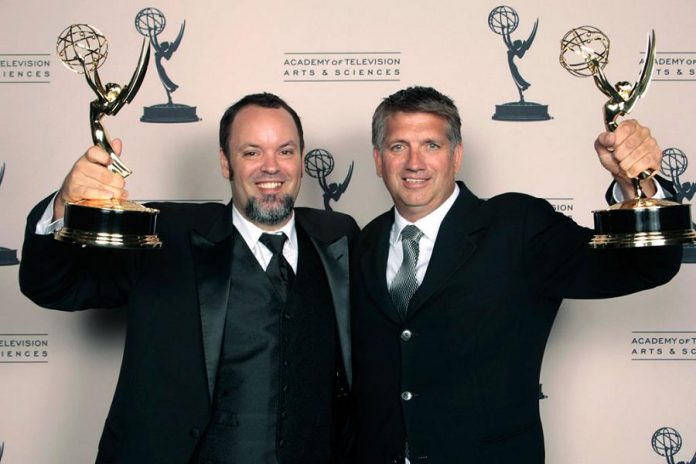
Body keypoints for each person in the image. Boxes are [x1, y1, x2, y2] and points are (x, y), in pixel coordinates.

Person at [19, 93, 358, 464]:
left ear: (301, 159)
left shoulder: (339, 237)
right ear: (225, 163)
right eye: (251, 152)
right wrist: (64, 205)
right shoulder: (163, 235)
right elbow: (53, 285)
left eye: (285, 151)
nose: (271, 167)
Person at [350, 86, 682, 463]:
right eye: (398, 147)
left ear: (456, 156)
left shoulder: (517, 226)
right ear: (378, 160)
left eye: (431, 145)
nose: (414, 162)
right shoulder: (363, 243)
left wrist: (637, 184)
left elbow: (646, 265)